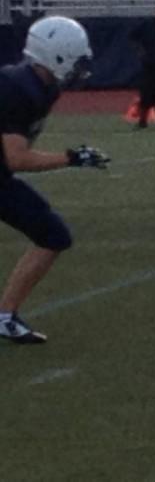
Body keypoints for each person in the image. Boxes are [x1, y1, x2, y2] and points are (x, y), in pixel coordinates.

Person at [0, 17, 109, 344]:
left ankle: (5, 316)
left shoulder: (41, 85)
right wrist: (72, 157)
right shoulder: (19, 88)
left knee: (52, 234)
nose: (81, 69)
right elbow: (17, 157)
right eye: (76, 61)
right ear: (56, 56)